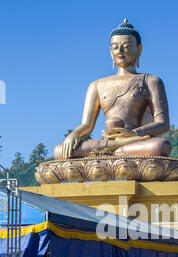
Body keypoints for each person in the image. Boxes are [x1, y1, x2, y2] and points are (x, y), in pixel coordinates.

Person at [54, 19, 171, 160]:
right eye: (115, 47)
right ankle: (115, 149)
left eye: (127, 46)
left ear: (139, 49)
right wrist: (74, 134)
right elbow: (87, 125)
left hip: (135, 141)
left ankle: (111, 152)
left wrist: (134, 133)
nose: (120, 51)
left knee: (160, 146)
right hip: (108, 142)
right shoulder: (96, 85)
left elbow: (163, 124)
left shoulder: (151, 81)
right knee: (60, 151)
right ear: (111, 52)